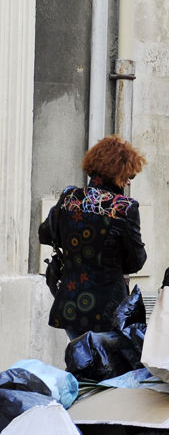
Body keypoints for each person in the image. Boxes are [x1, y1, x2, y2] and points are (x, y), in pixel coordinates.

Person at [39, 136, 148, 339]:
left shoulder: (69, 197)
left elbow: (45, 234)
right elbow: (135, 262)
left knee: (80, 361)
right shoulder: (124, 208)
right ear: (117, 171)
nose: (129, 180)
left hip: (71, 305)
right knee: (107, 367)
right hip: (108, 309)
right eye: (127, 173)